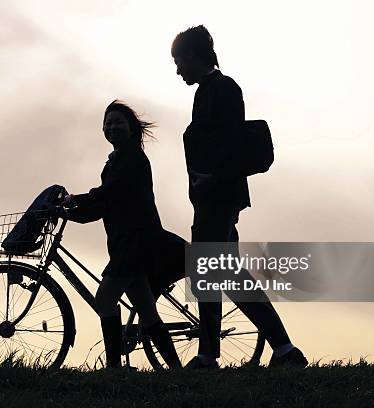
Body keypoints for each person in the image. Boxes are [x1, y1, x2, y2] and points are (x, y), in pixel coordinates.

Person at [171, 25, 308, 369]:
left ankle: (207, 355)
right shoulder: (210, 91)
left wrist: (209, 176)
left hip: (217, 196)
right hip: (214, 197)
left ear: (192, 57)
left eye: (179, 61)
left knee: (208, 270)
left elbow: (229, 141)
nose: (177, 70)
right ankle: (284, 349)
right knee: (228, 275)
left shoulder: (223, 89)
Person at [63, 100, 181, 369]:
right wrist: (71, 214)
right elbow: (106, 205)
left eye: (118, 122)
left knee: (104, 300)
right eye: (108, 123)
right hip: (130, 242)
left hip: (135, 242)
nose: (112, 127)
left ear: (131, 128)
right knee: (148, 314)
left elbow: (109, 194)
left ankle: (114, 370)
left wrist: (75, 200)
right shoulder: (120, 158)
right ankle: (176, 371)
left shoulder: (130, 157)